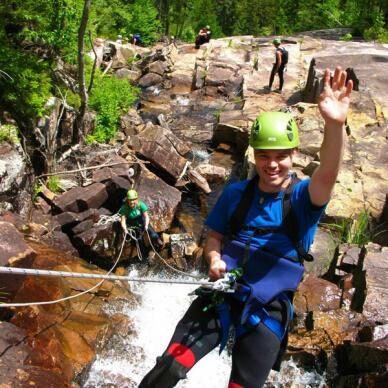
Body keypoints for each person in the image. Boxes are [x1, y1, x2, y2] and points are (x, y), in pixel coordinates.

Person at [139, 67, 353, 387]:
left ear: (294, 155)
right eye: (265, 156)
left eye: (281, 156)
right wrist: (214, 259)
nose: (272, 164)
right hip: (223, 293)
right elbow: (214, 238)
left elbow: (328, 174)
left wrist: (334, 125)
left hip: (268, 308)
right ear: (255, 155)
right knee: (169, 367)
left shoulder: (302, 199)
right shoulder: (237, 195)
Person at [119, 189, 163, 260]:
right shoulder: (124, 208)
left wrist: (146, 225)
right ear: (128, 201)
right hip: (133, 225)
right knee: (139, 240)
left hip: (142, 221)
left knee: (153, 234)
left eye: (133, 202)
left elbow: (146, 216)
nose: (132, 204)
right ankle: (144, 256)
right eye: (130, 203)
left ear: (136, 200)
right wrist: (125, 229)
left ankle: (157, 242)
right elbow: (123, 221)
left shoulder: (141, 204)